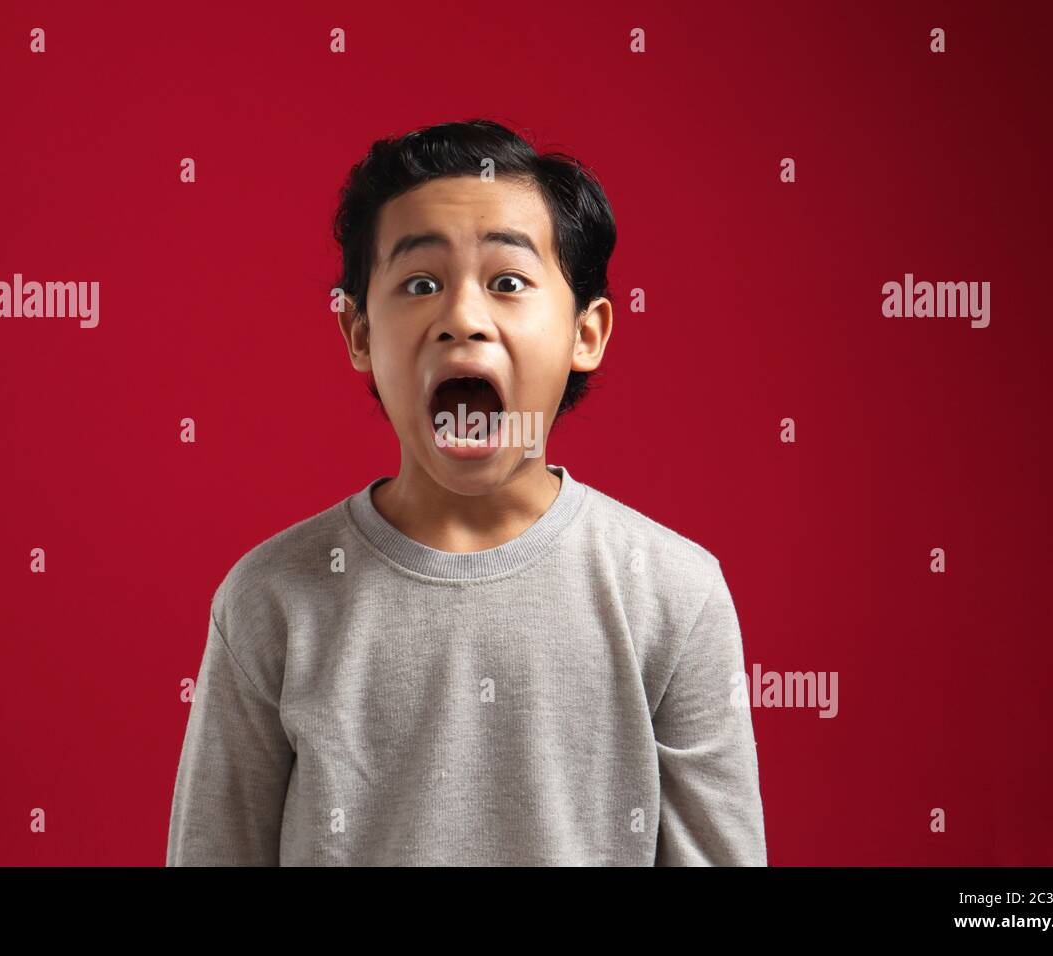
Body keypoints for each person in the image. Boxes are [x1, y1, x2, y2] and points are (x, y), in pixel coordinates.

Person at [166, 118, 767, 865]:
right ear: (358, 332)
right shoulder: (269, 600)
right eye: (420, 284)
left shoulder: (675, 595)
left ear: (588, 331)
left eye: (507, 282)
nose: (461, 319)